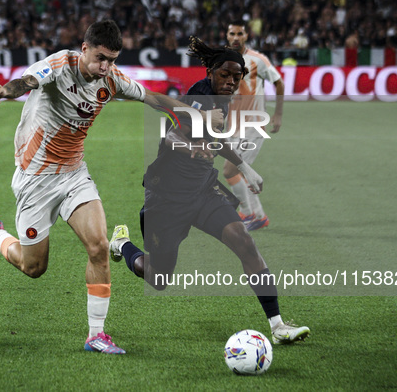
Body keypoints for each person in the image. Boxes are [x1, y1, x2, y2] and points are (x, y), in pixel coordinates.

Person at [0, 20, 223, 355]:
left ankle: (97, 334)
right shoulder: (58, 66)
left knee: (98, 246)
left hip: (74, 175)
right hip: (35, 178)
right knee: (34, 267)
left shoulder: (110, 79)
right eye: (100, 57)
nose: (105, 66)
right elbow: (24, 82)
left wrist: (198, 115)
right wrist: (2, 91)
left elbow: (154, 99)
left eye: (111, 59)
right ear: (84, 49)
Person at [109, 36, 310, 345]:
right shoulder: (199, 99)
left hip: (203, 191)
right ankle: (123, 245)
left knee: (244, 242)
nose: (230, 81)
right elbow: (169, 139)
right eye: (224, 75)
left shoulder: (222, 98)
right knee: (159, 278)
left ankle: (278, 325)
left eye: (236, 76)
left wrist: (244, 167)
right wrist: (191, 149)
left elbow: (216, 140)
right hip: (167, 198)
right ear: (211, 73)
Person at [223, 20, 285, 231]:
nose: (236, 37)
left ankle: (250, 214)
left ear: (246, 36)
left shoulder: (258, 60)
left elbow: (279, 82)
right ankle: (256, 215)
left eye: (240, 33)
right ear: (227, 35)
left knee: (231, 169)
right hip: (232, 126)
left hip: (253, 125)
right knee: (238, 171)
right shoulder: (221, 61)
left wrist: (277, 114)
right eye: (232, 33)